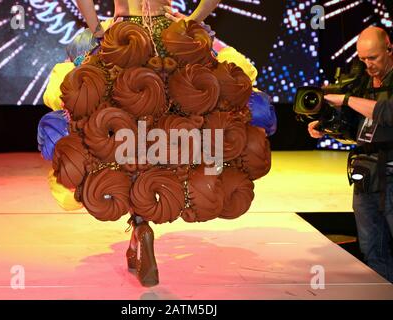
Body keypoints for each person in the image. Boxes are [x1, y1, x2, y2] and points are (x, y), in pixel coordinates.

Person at [52, 0, 271, 287]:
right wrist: (191, 21)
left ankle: (141, 225)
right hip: (171, 38)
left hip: (123, 36)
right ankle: (146, 219)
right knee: (174, 133)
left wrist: (96, 29)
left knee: (117, 138)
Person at [308, 26, 393, 282]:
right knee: (371, 249)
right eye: (363, 59)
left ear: (389, 49)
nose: (368, 64)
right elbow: (355, 125)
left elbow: (386, 112)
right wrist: (324, 126)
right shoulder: (362, 81)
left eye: (373, 58)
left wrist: (345, 100)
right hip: (365, 173)